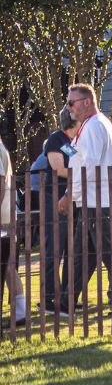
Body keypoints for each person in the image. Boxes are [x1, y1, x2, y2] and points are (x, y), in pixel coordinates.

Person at [59, 83, 112, 314]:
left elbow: (88, 166)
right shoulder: (97, 124)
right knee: (85, 255)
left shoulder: (94, 126)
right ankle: (66, 302)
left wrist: (69, 195)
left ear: (86, 102)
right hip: (96, 199)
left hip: (96, 201)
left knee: (109, 253)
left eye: (71, 102)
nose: (69, 107)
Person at [32, 108, 77, 316]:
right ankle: (49, 297)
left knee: (72, 248)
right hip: (53, 197)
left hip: (73, 197)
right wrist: (86, 172)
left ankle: (67, 296)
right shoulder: (56, 139)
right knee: (55, 247)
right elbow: (59, 169)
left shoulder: (77, 141)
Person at [0, 140, 23, 327]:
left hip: (3, 215)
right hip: (6, 212)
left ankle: (21, 310)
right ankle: (21, 310)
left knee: (6, 265)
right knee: (7, 265)